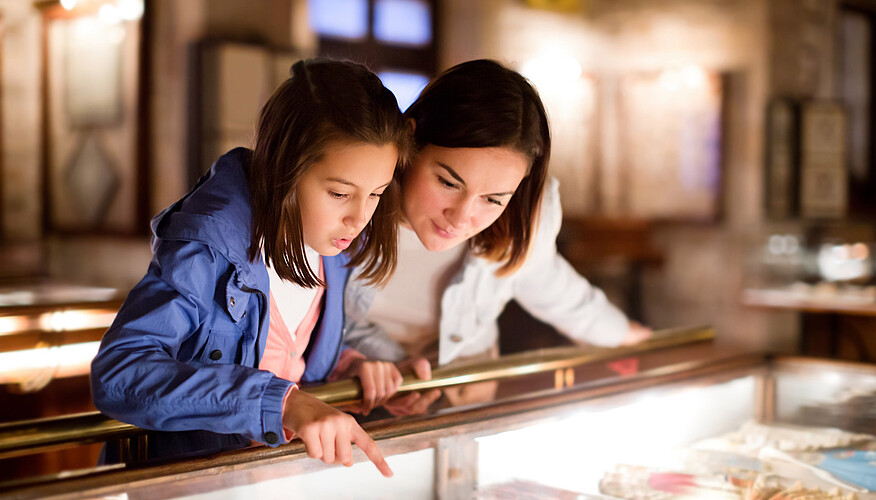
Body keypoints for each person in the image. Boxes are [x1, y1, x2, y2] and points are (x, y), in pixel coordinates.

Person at [90, 59, 412, 475]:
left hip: (268, 479)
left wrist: (351, 368)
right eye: (338, 193)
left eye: (376, 194)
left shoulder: (336, 249)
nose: (359, 218)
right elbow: (120, 373)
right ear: (285, 168)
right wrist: (280, 403)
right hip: (187, 482)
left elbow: (287, 357)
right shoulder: (209, 249)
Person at [343, 60, 651, 413]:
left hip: (464, 403)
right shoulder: (351, 200)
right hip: (354, 398)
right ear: (410, 140)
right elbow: (314, 319)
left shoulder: (523, 217)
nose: (461, 217)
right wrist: (392, 369)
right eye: (448, 182)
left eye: (492, 199)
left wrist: (627, 336)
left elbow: (550, 284)